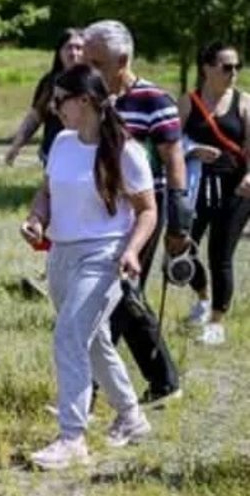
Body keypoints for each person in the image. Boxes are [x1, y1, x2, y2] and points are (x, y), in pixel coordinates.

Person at [22, 64, 156, 470]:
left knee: (68, 335)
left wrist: (132, 251)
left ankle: (72, 437)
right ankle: (131, 417)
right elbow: (46, 192)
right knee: (92, 338)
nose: (54, 108)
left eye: (60, 100)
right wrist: (36, 219)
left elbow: (148, 210)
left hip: (104, 257)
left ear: (85, 101)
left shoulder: (125, 151)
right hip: (61, 255)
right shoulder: (62, 143)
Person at [83, 20, 188, 408]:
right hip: (99, 212)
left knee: (113, 294)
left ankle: (89, 391)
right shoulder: (91, 98)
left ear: (121, 60)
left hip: (143, 212)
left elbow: (173, 161)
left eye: (96, 62)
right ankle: (164, 380)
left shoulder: (153, 101)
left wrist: (179, 219)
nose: (88, 69)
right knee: (125, 296)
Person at [178, 42, 250, 345]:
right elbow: (170, 142)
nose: (233, 73)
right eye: (226, 66)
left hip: (236, 189)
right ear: (207, 68)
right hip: (195, 188)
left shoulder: (244, 102)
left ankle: (217, 322)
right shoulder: (188, 101)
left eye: (237, 67)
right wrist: (192, 149)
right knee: (183, 247)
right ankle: (203, 297)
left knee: (221, 255)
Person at [5, 28, 85, 167]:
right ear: (59, 52)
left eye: (79, 48)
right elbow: (35, 116)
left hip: (84, 154)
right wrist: (16, 146)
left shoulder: (93, 82)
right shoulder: (49, 82)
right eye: (68, 48)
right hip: (53, 154)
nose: (73, 53)